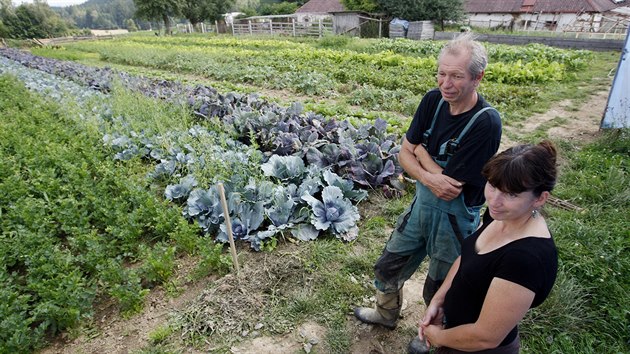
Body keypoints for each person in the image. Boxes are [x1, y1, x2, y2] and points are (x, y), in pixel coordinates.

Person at [353, 32, 502, 354]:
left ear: (478, 78)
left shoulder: (485, 123)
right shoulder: (432, 101)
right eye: (441, 73)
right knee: (388, 266)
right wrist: (425, 167)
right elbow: (403, 154)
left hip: (455, 217)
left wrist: (419, 155)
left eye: (456, 76)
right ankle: (385, 314)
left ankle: (431, 335)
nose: (445, 83)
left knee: (440, 286)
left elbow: (451, 188)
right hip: (421, 206)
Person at [417, 140, 559, 353]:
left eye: (511, 194)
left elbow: (486, 337)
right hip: (455, 337)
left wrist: (438, 337)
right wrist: (439, 299)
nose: (494, 200)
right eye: (493, 185)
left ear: (540, 199)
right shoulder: (501, 216)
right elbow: (467, 258)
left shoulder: (526, 259)